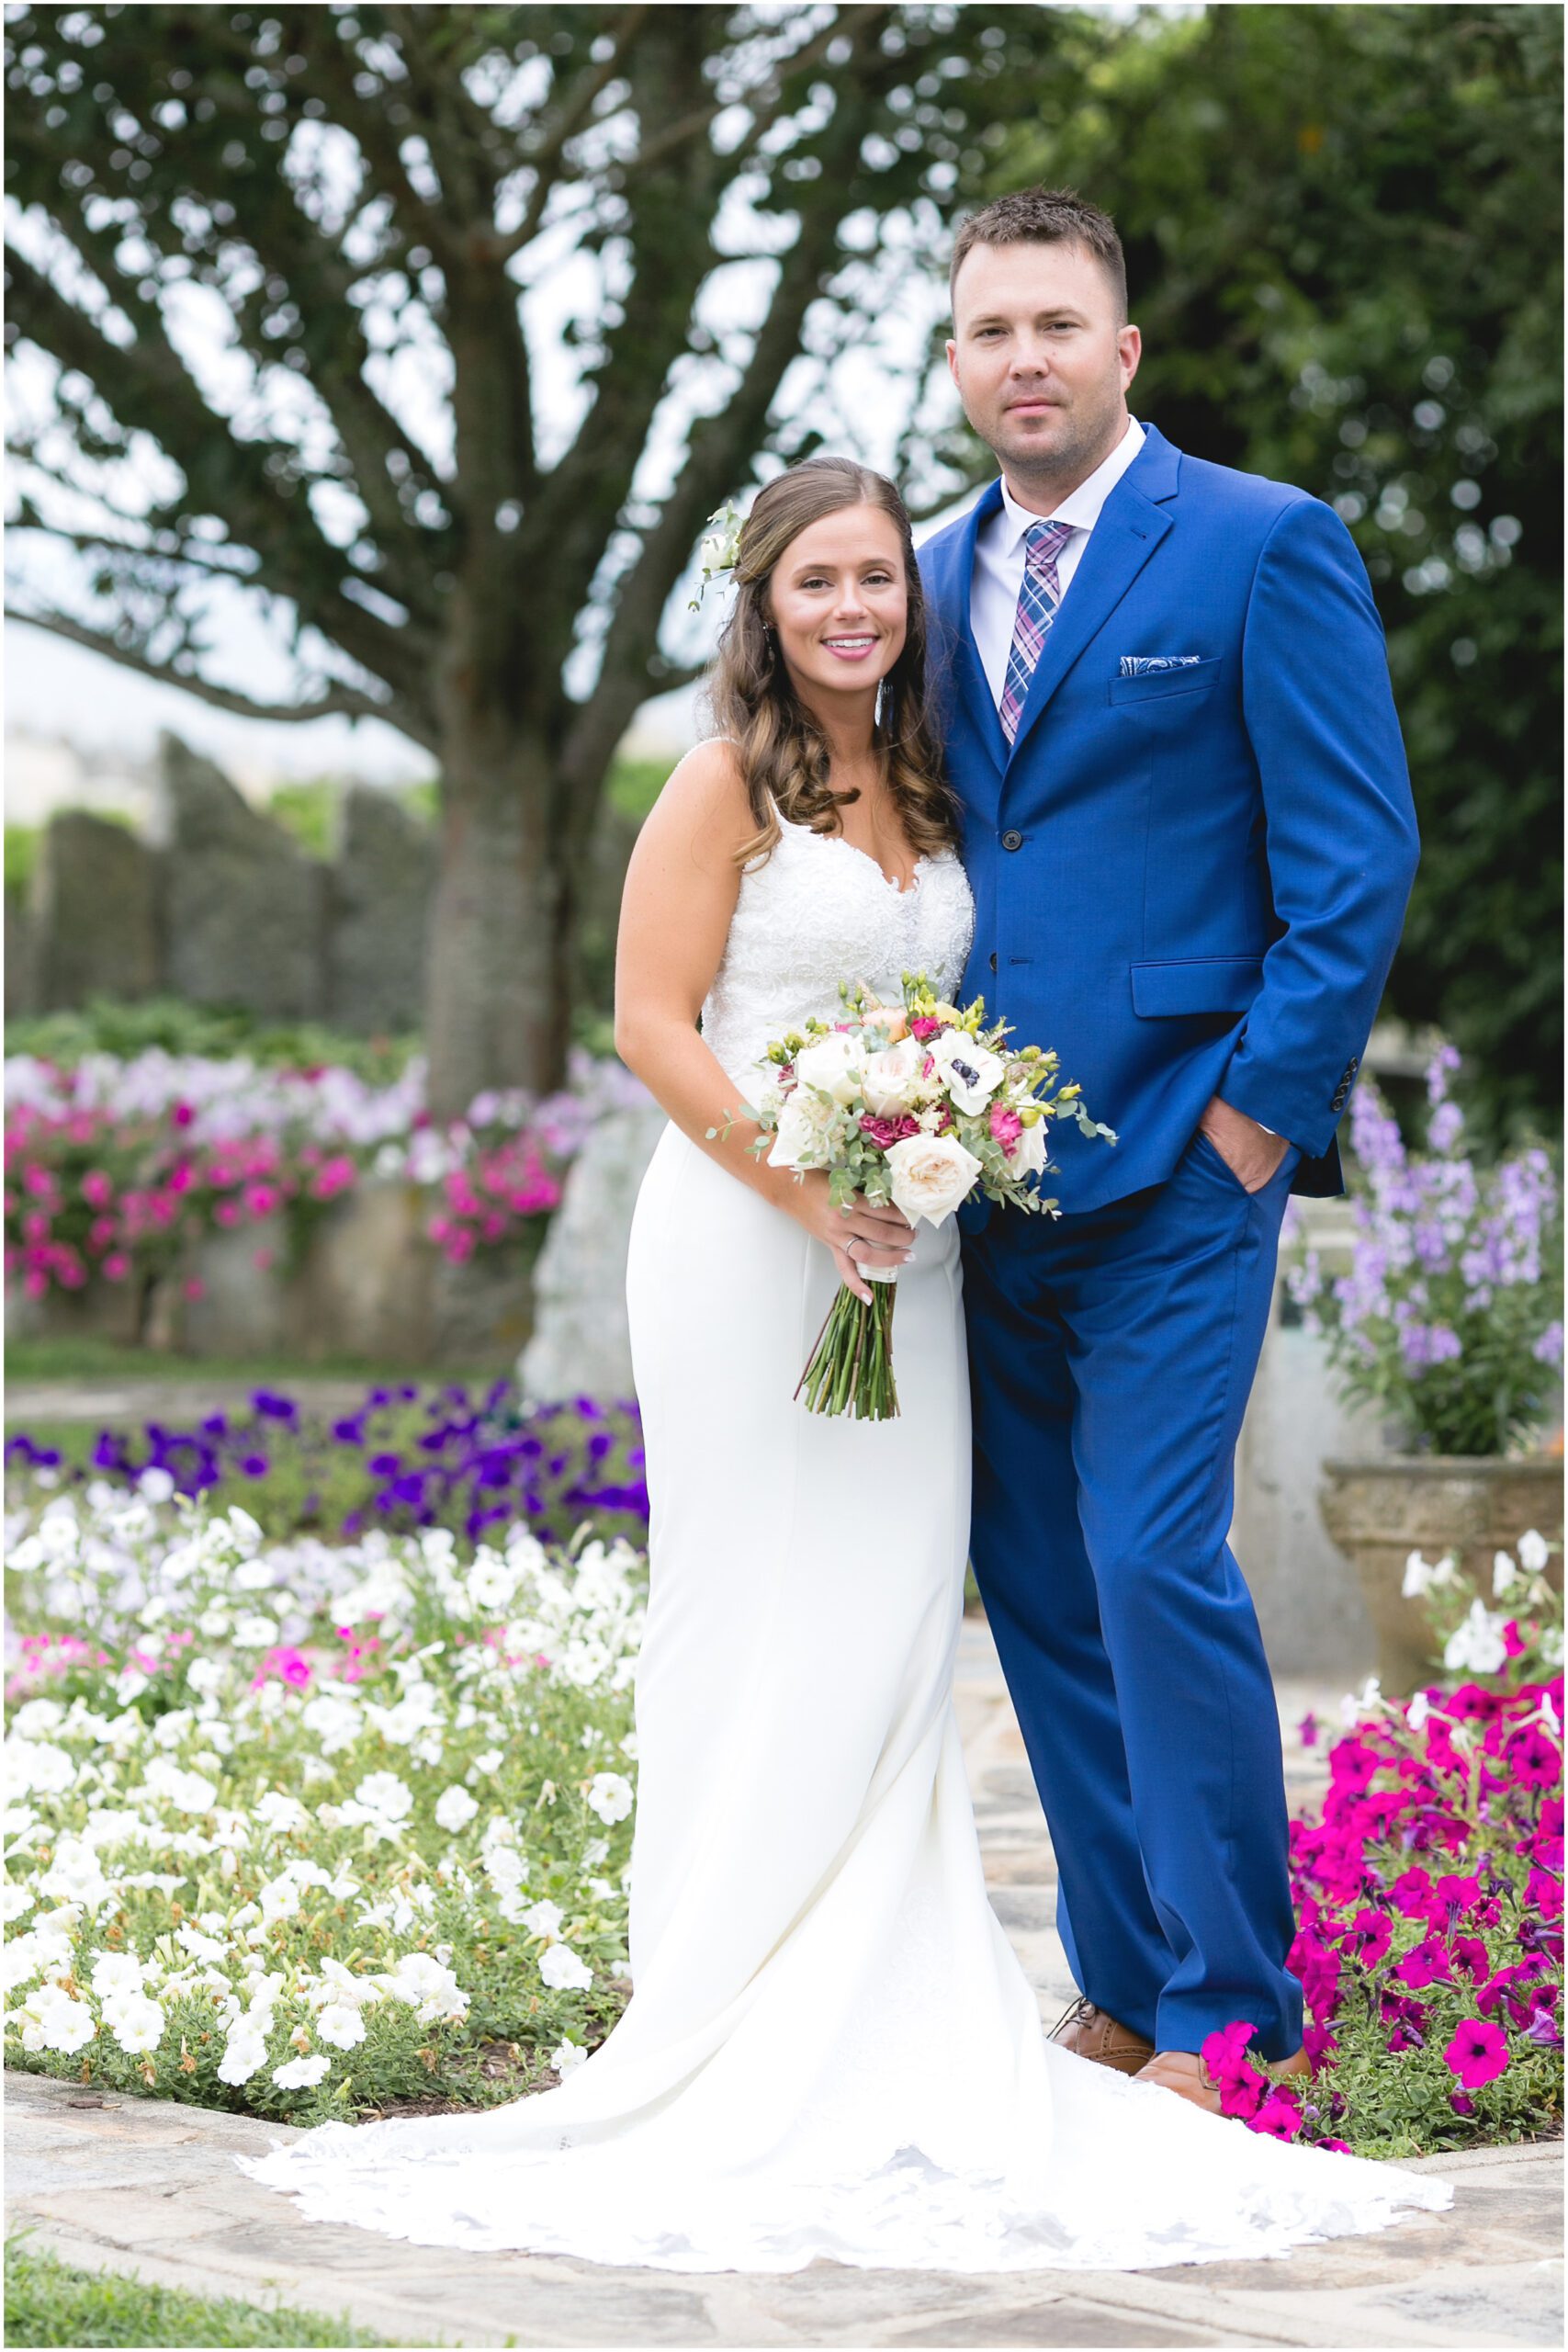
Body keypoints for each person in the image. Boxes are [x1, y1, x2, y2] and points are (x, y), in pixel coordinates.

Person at [239, 452, 1448, 2270]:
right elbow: (650, 1018)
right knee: (748, 1599)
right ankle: (724, 1996)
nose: (852, 607)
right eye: (814, 582)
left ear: (910, 594)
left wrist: (929, 1159)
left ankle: (908, 1984)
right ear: (761, 601)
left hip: (920, 1244)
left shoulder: (935, 776)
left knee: (896, 1603)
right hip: (748, 1242)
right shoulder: (721, 778)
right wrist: (809, 1189)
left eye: (874, 576)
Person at [919, 187, 1422, 2107]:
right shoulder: (930, 568)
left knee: (1149, 1560)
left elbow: (1350, 855)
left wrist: (1250, 1117)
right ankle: (1118, 1981)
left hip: (1180, 1170)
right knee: (1036, 1586)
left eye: (1054, 323)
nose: (1022, 358)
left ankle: (1232, 2001)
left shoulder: (1257, 545)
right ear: (957, 364)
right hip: (982, 1176)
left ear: (1119, 351)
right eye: (988, 331)